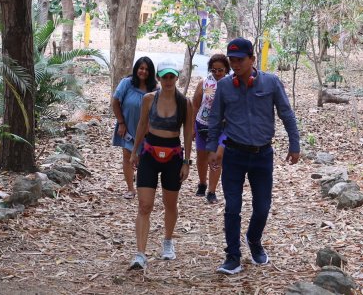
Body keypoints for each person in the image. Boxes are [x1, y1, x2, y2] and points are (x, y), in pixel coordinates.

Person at [205, 37, 300, 275]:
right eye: (232, 60)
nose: (235, 64)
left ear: (252, 59)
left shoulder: (271, 83)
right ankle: (232, 256)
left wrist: (294, 143)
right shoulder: (225, 86)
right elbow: (215, 119)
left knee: (262, 207)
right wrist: (211, 150)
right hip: (234, 154)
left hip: (262, 155)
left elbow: (286, 114)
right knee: (232, 207)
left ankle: (254, 240)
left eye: (239, 60)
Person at [127, 66, 194, 270]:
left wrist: (187, 162)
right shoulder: (149, 99)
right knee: (144, 205)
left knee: (170, 203)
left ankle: (167, 241)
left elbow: (189, 131)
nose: (168, 80)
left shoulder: (185, 102)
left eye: (172, 77)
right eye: (164, 77)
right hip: (149, 153)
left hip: (173, 156)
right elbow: (141, 124)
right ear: (158, 78)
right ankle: (140, 254)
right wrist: (134, 151)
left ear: (176, 78)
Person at [111, 56, 156, 199]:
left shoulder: (155, 89)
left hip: (146, 130)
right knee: (127, 157)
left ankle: (143, 188)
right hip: (127, 126)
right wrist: (121, 123)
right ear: (136, 69)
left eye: (147, 69)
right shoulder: (126, 83)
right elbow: (115, 102)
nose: (143, 71)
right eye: (141, 68)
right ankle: (130, 188)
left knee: (144, 159)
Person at [191, 53, 230, 203]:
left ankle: (212, 191)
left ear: (226, 69)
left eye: (220, 70)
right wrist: (192, 127)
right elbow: (195, 104)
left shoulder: (232, 84)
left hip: (223, 127)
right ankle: (202, 183)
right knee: (201, 156)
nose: (217, 73)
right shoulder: (205, 83)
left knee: (217, 157)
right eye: (214, 70)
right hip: (202, 124)